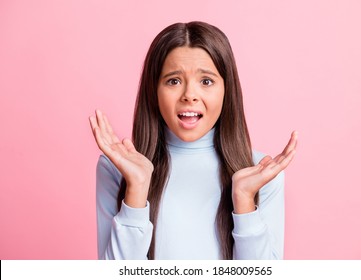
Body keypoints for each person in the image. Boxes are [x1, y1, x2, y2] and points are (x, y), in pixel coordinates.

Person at [89, 21, 297, 260]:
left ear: (226, 91)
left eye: (206, 81)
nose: (189, 95)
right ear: (153, 91)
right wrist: (136, 189)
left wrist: (245, 202)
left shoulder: (261, 174)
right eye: (173, 81)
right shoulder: (117, 170)